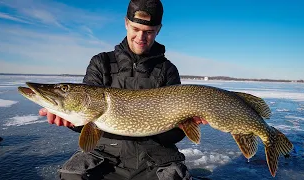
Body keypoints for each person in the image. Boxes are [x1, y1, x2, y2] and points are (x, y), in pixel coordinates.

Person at [39, 0, 207, 179]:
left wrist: (183, 125)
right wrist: (72, 122)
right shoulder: (101, 63)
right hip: (105, 156)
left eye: (149, 32)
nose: (141, 38)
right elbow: (87, 120)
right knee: (72, 175)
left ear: (158, 29)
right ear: (126, 23)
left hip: (155, 158)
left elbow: (171, 137)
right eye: (135, 29)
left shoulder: (167, 70)